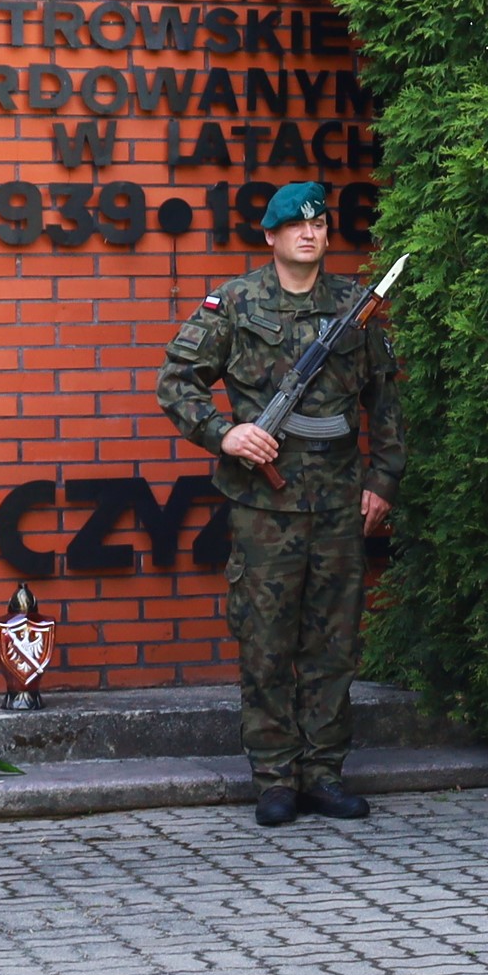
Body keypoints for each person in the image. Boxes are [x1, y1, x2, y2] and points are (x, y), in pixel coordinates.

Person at [159, 181, 402, 827]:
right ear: (270, 236)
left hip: (339, 506)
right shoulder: (235, 303)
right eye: (294, 225)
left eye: (319, 224)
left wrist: (383, 481)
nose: (309, 233)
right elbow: (176, 381)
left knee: (333, 645)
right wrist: (224, 432)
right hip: (264, 509)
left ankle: (323, 772)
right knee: (266, 645)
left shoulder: (356, 307)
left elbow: (387, 404)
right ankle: (274, 777)